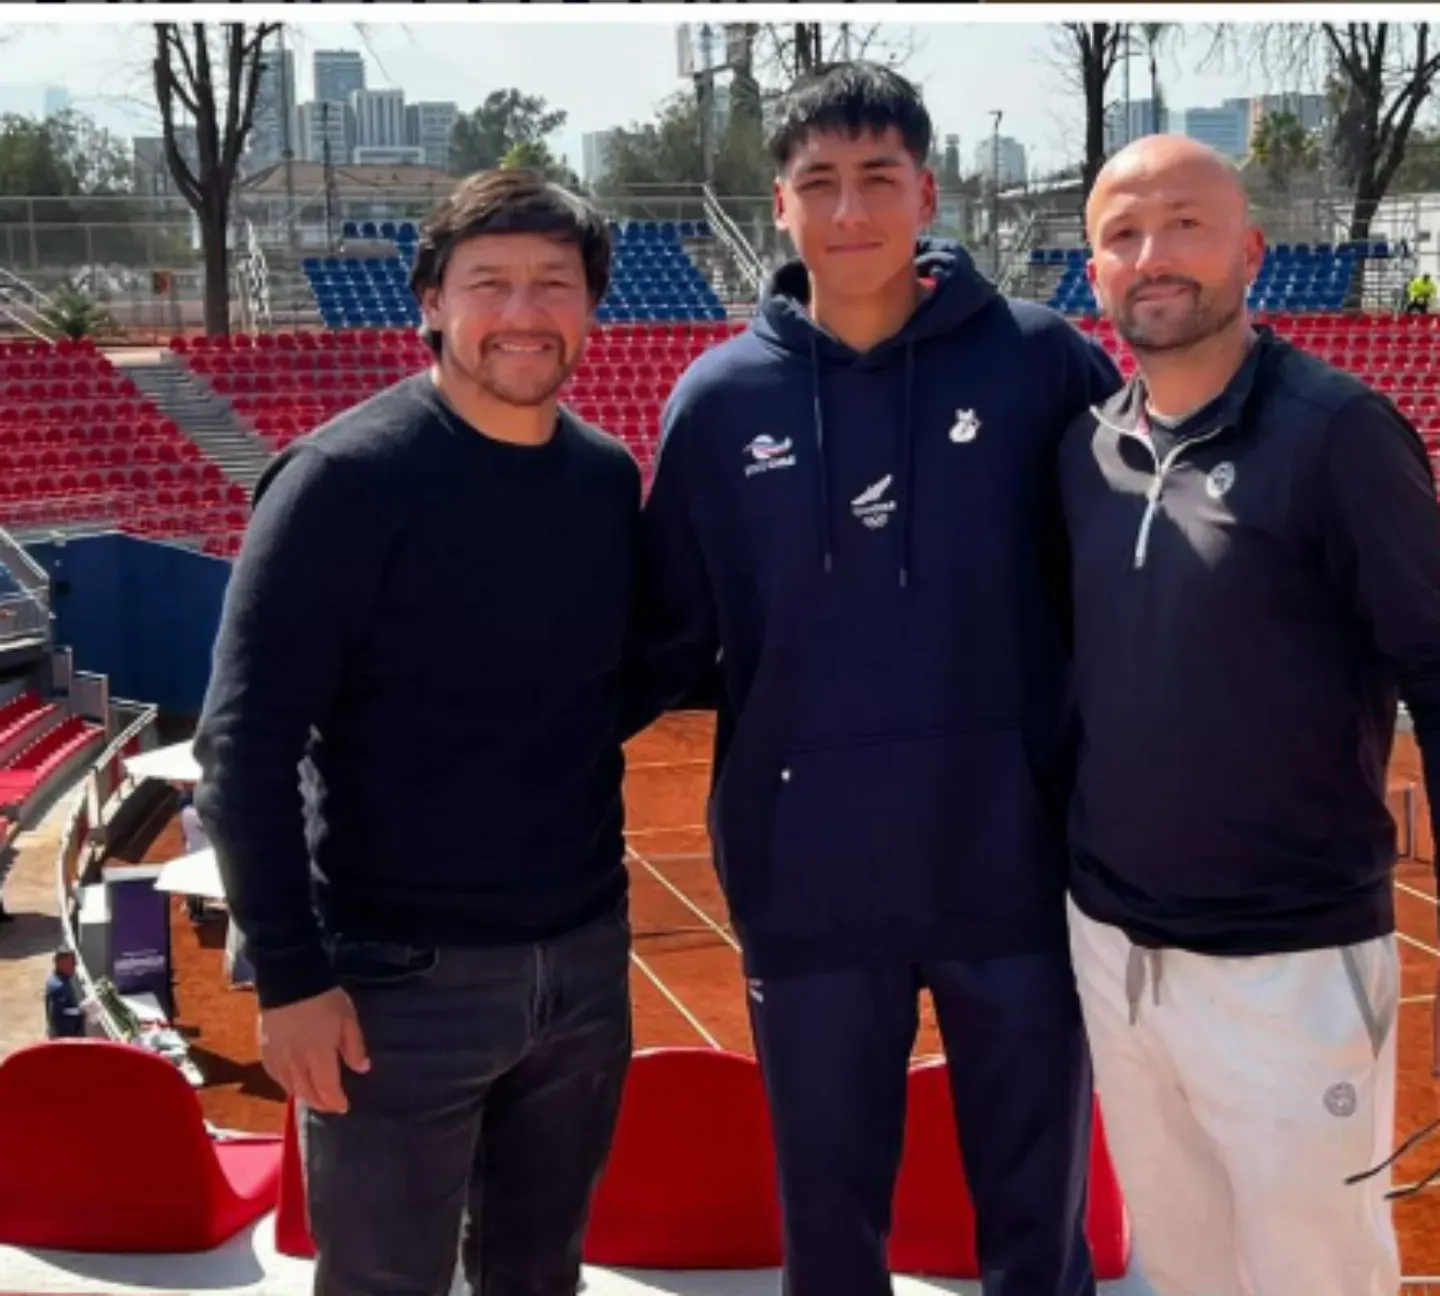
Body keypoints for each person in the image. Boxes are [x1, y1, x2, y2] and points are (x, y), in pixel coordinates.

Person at [628, 63, 1119, 1296]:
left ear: (927, 192)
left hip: (1012, 862)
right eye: (820, 184)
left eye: (877, 180)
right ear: (780, 205)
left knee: (1035, 1221)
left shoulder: (1041, 364)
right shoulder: (718, 399)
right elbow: (664, 642)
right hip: (810, 877)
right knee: (831, 1229)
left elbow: (1128, 585)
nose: (851, 212)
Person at [194, 169, 638, 1296]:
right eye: (489, 283)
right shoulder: (341, 481)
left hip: (581, 968)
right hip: (393, 985)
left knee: (541, 1275)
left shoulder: (601, 478)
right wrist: (290, 980)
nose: (524, 313)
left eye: (554, 283)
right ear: (431, 302)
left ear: (591, 307)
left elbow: (602, 688)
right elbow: (242, 748)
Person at [1060, 133, 1440, 1296]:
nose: (1152, 254)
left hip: (1291, 966)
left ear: (1251, 252)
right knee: (1183, 1270)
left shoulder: (1337, 433)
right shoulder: (1087, 450)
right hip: (1116, 953)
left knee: (1312, 1278)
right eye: (1122, 234)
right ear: (1092, 274)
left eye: (1185, 224)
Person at [178, 789, 210, 921]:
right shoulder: (193, 814)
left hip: (192, 848)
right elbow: (206, 827)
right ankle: (197, 913)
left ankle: (195, 909)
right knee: (198, 883)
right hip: (199, 850)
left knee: (193, 882)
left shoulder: (184, 813)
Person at [44, 947, 86, 1039]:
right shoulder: (57, 986)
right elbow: (57, 1015)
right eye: (73, 962)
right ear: (62, 963)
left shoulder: (61, 980)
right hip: (64, 1041)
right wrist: (81, 1012)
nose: (75, 966)